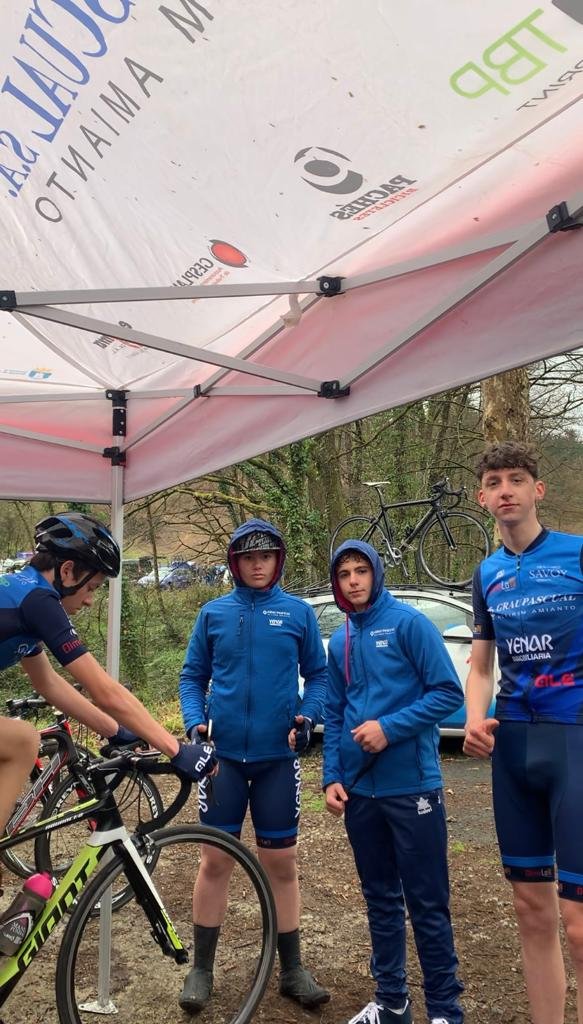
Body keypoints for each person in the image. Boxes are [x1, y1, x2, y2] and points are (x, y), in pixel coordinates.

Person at [178, 518, 329, 1013]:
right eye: (248, 557)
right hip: (222, 764)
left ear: (278, 560)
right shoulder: (213, 614)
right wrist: (196, 723)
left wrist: (308, 716)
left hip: (276, 762)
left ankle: (292, 969)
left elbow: (320, 676)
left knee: (281, 864)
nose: (258, 564)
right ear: (235, 563)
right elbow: (192, 676)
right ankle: (202, 969)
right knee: (215, 861)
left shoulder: (298, 613)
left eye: (266, 556)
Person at [0, 512, 217, 845]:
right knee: (22, 741)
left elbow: (48, 683)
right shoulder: (40, 600)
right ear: (67, 570)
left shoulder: (22, 594)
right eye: (91, 587)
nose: (90, 600)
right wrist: (177, 750)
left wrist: (116, 731)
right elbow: (105, 691)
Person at [464, 440, 583, 1024]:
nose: (505, 489)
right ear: (482, 498)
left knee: (579, 924)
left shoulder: (577, 554)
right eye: (494, 482)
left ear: (538, 490)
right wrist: (473, 717)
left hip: (574, 740)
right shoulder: (486, 573)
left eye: (516, 479)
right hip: (513, 745)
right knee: (531, 911)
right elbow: (481, 665)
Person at [323, 540, 465, 1024]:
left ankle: (445, 1011)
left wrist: (390, 728)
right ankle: (391, 1003)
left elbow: (447, 692)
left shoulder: (409, 624)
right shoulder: (339, 640)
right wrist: (332, 775)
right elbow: (335, 712)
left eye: (361, 571)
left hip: (413, 787)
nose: (353, 581)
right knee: (380, 899)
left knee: (427, 903)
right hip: (360, 792)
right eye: (344, 574)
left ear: (376, 573)